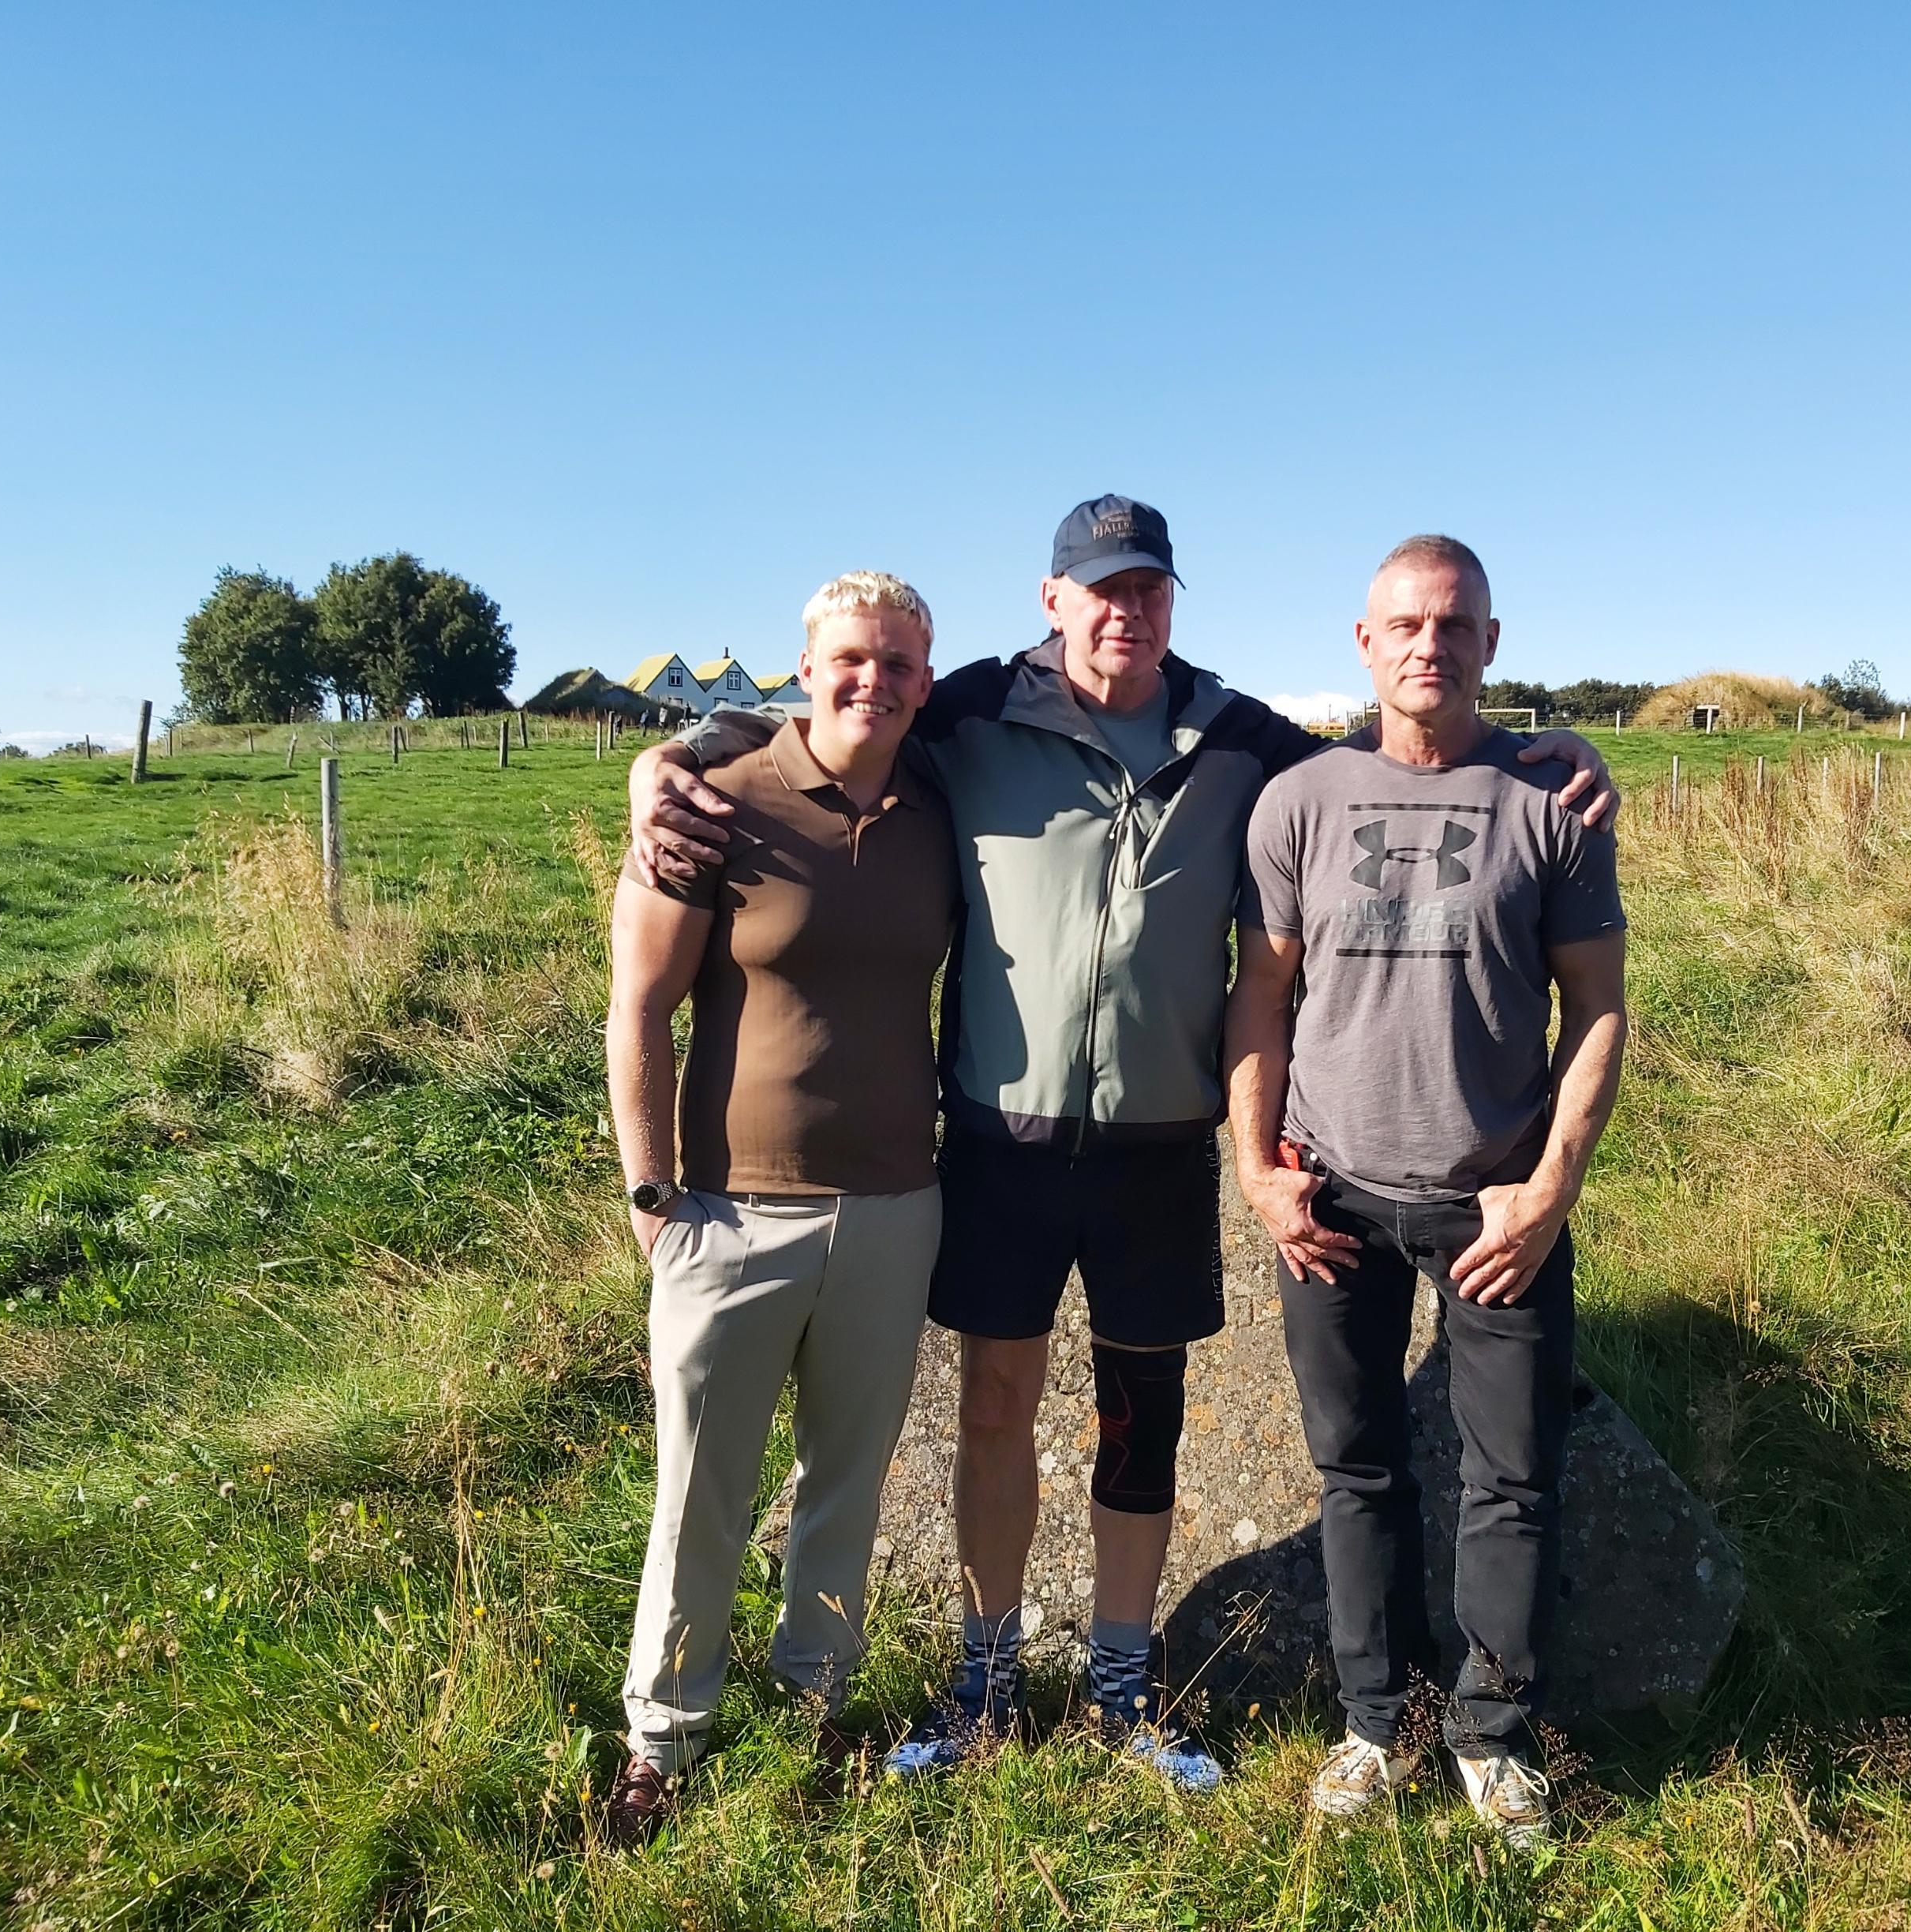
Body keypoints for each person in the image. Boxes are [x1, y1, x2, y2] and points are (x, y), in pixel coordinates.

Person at [626, 496, 1618, 1794]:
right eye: (1099, 588)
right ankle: (986, 1676)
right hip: (1003, 1137)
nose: (1124, 611)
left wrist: (1551, 740)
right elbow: (837, 719)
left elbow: (1392, 749)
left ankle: (1122, 1680)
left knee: (1138, 1419)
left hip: (1159, 1142)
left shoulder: (1238, 738)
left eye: (1148, 588)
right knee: (994, 1405)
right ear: (1053, 601)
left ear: (1171, 602)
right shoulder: (975, 710)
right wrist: (676, 754)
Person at [1225, 535, 1628, 1852]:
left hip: (1492, 1200)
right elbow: (1262, 998)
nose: (1428, 647)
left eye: (1454, 626)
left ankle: (1496, 1737)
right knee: (1358, 1467)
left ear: (1492, 644)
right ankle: (1372, 1719)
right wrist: (1258, 1171)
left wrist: (1550, 1191)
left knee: (1513, 1478)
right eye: (1404, 624)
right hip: (1331, 1191)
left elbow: (1599, 1009)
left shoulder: (1549, 804)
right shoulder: (1297, 801)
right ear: (1364, 640)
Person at [602, 572, 956, 1845]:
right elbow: (638, 1005)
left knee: (846, 1479)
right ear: (803, 667)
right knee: (701, 1484)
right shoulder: (714, 807)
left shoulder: (938, 807)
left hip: (896, 1205)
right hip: (730, 1211)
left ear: (928, 676)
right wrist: (655, 1197)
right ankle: (666, 1732)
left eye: (902, 663)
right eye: (852, 658)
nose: (877, 682)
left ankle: (817, 1705)